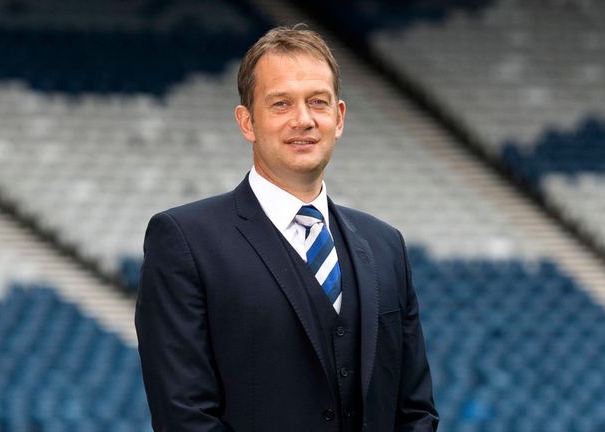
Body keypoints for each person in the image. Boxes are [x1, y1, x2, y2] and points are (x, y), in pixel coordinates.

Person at [136, 24, 438, 432]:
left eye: (318, 102)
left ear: (339, 117)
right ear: (247, 122)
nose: (304, 119)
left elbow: (416, 412)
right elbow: (184, 417)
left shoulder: (386, 245)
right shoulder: (184, 240)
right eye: (281, 104)